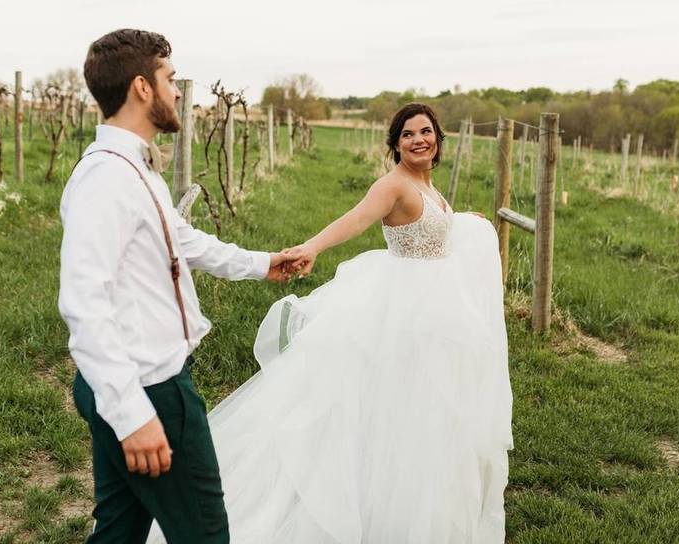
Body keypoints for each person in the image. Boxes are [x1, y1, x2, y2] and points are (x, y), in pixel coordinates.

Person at [150, 103, 514, 543]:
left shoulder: (428, 186)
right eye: (408, 135)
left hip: (431, 313)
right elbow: (355, 220)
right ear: (396, 144)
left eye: (426, 132)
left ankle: (409, 494)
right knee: (390, 405)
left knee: (422, 407)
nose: (419, 140)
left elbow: (432, 230)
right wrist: (312, 247)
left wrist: (462, 220)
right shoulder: (393, 186)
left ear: (438, 137)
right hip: (402, 309)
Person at [59, 28, 296, 543]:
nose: (177, 93)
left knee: (119, 531)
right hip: (149, 389)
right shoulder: (107, 179)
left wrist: (262, 263)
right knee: (205, 536)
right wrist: (132, 414)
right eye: (169, 78)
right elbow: (83, 301)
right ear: (142, 88)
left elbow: (182, 240)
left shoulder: (132, 168)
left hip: (126, 382)